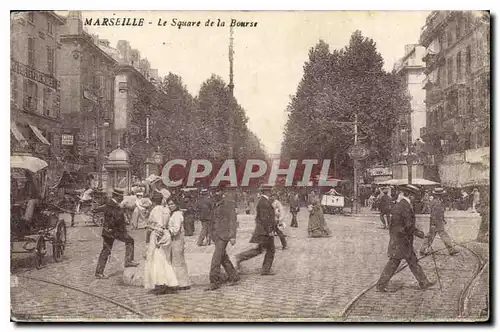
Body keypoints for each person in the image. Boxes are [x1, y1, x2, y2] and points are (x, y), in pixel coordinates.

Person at [376, 184, 435, 292]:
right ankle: (380, 285)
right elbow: (408, 226)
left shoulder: (402, 204)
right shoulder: (405, 206)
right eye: (415, 196)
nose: (416, 199)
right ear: (410, 195)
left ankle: (424, 282)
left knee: (412, 261)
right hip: (401, 240)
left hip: (401, 239)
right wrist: (422, 234)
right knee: (393, 263)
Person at [95, 189, 139, 279]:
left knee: (106, 250)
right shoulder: (113, 205)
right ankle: (128, 261)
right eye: (120, 196)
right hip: (113, 231)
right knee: (129, 241)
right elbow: (117, 219)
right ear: (116, 196)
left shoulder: (111, 204)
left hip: (109, 231)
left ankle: (99, 272)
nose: (122, 198)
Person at [235, 185, 276, 275]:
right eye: (270, 191)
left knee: (260, 250)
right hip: (264, 232)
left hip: (263, 231)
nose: (271, 192)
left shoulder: (264, 201)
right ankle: (265, 270)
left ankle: (240, 257)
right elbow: (265, 218)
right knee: (270, 250)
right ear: (266, 192)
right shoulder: (264, 202)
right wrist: (270, 231)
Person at [206, 185, 240, 291]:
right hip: (215, 235)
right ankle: (234, 277)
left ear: (222, 192)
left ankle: (214, 282)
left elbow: (232, 220)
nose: (215, 194)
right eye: (213, 192)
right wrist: (209, 234)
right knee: (223, 257)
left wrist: (233, 236)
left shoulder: (228, 203)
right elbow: (211, 220)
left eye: (217, 191)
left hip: (224, 235)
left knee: (216, 258)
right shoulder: (213, 203)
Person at [144, 193, 178, 294]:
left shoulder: (156, 210)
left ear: (153, 201)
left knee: (157, 260)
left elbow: (159, 225)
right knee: (164, 260)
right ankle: (167, 282)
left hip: (157, 237)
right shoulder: (165, 210)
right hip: (163, 236)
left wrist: (157, 239)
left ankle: (161, 283)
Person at [419, 188, 459, 256]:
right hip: (436, 223)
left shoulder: (436, 201)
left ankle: (423, 250)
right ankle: (451, 250)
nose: (444, 196)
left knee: (431, 236)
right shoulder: (437, 202)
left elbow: (439, 213)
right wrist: (434, 224)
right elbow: (434, 214)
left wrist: (443, 219)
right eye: (442, 195)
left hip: (437, 222)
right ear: (439, 195)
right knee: (440, 235)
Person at [166, 197, 191, 290]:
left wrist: (167, 231)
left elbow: (176, 230)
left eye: (172, 204)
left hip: (177, 239)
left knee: (178, 261)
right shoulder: (173, 214)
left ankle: (182, 283)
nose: (170, 206)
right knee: (178, 260)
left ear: (176, 204)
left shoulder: (177, 215)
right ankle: (181, 282)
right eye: (169, 204)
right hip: (176, 240)